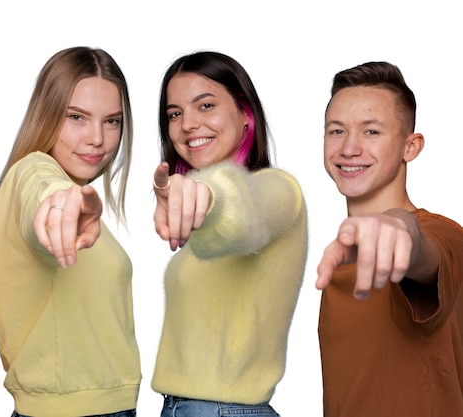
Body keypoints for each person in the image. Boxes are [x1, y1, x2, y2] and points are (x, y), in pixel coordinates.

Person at [0, 46, 141, 417]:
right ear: (47, 113)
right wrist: (56, 206)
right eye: (77, 117)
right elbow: (43, 193)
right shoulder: (34, 172)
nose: (97, 139)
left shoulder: (78, 199)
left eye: (112, 121)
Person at [150, 51, 308, 417]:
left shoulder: (279, 190)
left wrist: (207, 193)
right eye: (175, 113)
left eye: (205, 106)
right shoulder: (202, 231)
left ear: (246, 115)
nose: (187, 124)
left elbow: (242, 212)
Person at [316, 61, 463, 416]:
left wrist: (399, 227)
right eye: (336, 131)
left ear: (410, 147)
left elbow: (421, 253)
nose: (349, 148)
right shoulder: (342, 258)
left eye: (371, 132)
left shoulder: (444, 235)